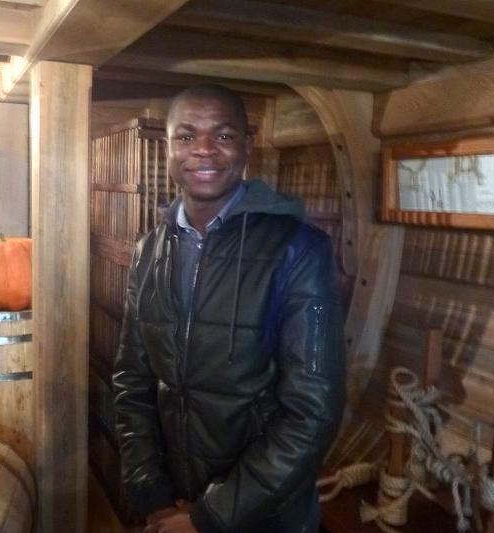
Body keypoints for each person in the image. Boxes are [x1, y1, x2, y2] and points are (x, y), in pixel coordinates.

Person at [113, 84, 345, 533]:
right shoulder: (149, 251)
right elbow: (132, 381)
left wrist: (207, 517)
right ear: (167, 148)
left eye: (222, 135)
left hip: (264, 513)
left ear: (247, 146)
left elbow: (312, 411)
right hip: (172, 502)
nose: (204, 149)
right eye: (186, 136)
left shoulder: (298, 249)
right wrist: (153, 496)